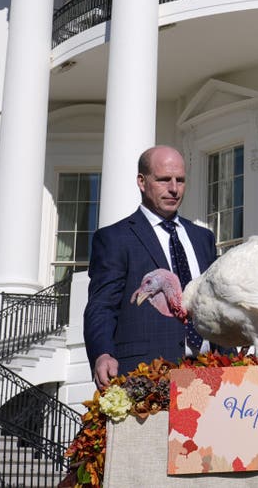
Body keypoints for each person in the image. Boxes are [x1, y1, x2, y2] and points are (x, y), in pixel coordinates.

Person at [84, 145, 218, 389]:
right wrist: (102, 353)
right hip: (146, 375)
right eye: (164, 180)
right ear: (142, 181)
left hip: (211, 371)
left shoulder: (203, 238)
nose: (174, 189)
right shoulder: (115, 238)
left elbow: (216, 303)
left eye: (180, 180)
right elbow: (102, 306)